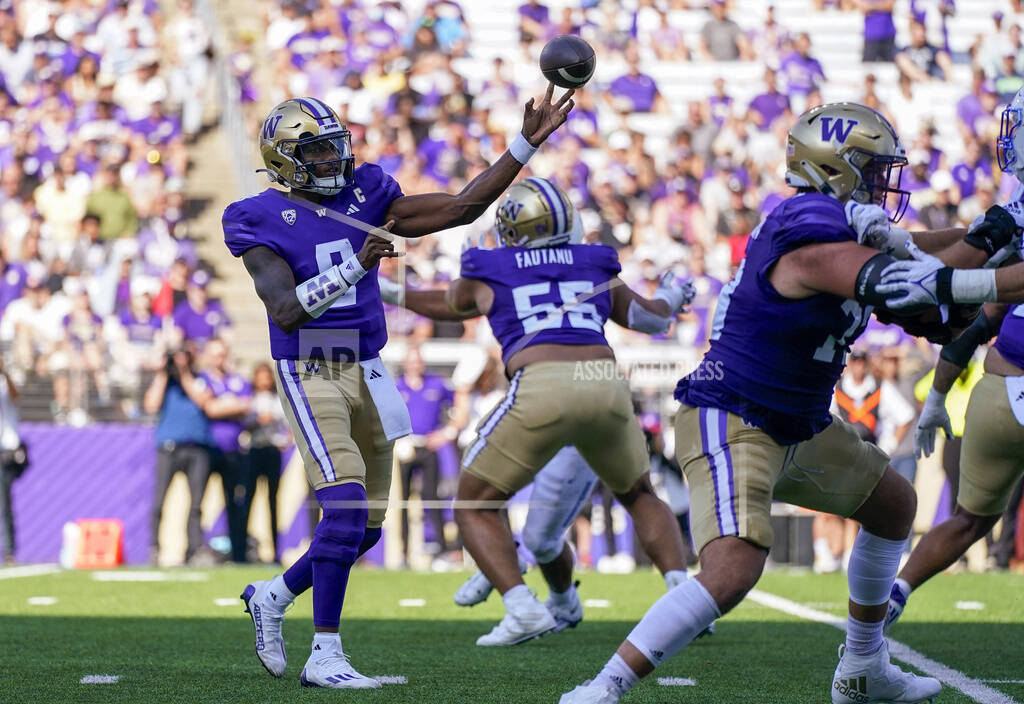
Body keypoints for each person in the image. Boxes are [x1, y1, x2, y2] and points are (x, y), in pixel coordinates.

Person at [561, 103, 958, 704]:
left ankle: (863, 668)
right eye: (873, 169)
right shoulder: (806, 222)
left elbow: (932, 248)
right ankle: (604, 687)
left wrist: (997, 236)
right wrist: (978, 275)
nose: (883, 184)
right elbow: (896, 277)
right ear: (838, 168)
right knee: (733, 568)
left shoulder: (834, 221)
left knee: (893, 505)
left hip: (796, 421)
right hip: (735, 414)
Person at [228, 90, 574, 688]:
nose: (334, 162)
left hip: (368, 365)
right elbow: (284, 311)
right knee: (341, 507)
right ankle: (325, 655)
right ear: (285, 159)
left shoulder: (368, 192)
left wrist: (526, 144)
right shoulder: (255, 216)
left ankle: (273, 594)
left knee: (365, 528)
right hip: (310, 367)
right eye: (316, 151)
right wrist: (358, 266)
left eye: (335, 148)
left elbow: (464, 206)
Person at [381, 176, 696, 647]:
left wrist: (384, 291)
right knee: (639, 494)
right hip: (606, 385)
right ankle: (683, 597)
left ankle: (521, 607)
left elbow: (448, 305)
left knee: (473, 503)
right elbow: (652, 318)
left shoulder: (493, 267)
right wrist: (674, 293)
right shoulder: (592, 262)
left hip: (543, 384)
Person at [884, 87, 1024, 631]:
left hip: (1000, 393)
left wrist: (938, 397)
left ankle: (896, 591)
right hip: (998, 383)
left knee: (968, 520)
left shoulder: (1015, 211)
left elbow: (978, 313)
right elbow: (971, 268)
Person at [143, 348, 215, 565]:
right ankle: (154, 547)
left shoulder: (200, 379)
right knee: (159, 501)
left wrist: (184, 374)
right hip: (168, 447)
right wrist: (163, 373)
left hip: (197, 448)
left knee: (196, 504)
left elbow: (203, 401)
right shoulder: (165, 383)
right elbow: (151, 404)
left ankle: (194, 549)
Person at [395, 344, 461, 563]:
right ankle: (403, 552)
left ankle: (441, 550)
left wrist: (446, 433)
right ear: (405, 363)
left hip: (428, 447)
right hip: (405, 448)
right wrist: (396, 438)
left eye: (419, 360)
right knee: (403, 500)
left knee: (433, 497)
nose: (416, 364)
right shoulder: (397, 386)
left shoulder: (437, 384)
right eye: (412, 360)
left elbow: (459, 406)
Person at [243, 362, 290, 563]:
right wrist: (257, 421)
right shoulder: (250, 399)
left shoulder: (277, 400)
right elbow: (244, 423)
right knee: (248, 499)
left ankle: (275, 551)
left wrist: (284, 441)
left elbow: (288, 425)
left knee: (273, 500)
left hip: (271, 450)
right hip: (255, 450)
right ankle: (243, 548)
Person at [0, 358, 25, 565]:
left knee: (4, 503)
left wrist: (4, 372)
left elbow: (15, 396)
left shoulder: (4, 382)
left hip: (4, 451)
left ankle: (9, 550)